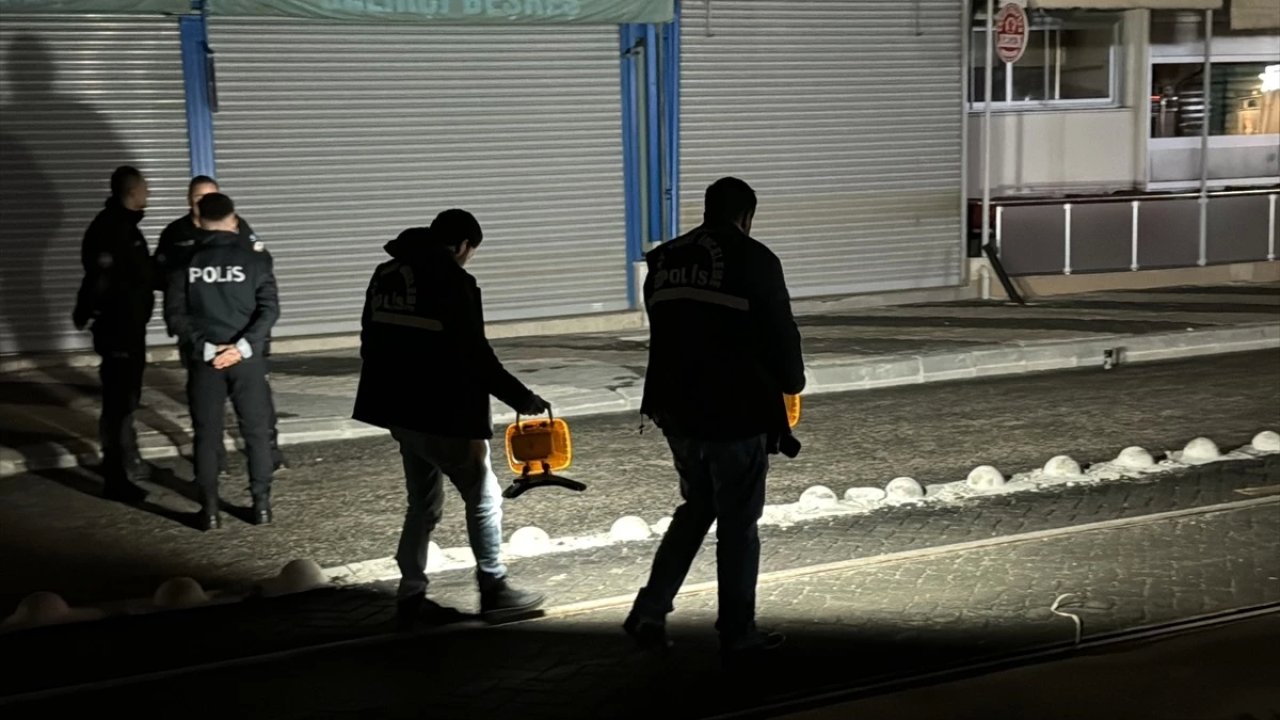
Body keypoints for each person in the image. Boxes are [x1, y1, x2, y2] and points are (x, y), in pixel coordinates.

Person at [623, 177, 806, 664]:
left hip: (674, 409)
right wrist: (792, 381)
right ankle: (737, 631)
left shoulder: (663, 260)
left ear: (707, 210)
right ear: (746, 216)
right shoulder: (755, 259)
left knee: (698, 506)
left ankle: (650, 609)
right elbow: (780, 333)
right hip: (733, 410)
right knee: (738, 524)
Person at [352, 209, 549, 630]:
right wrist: (522, 397)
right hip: (441, 412)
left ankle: (411, 595)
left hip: (398, 410)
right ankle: (494, 587)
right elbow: (475, 355)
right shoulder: (454, 282)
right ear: (462, 245)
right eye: (470, 252)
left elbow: (369, 337)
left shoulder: (387, 273)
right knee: (484, 496)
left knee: (422, 503)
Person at [163, 193, 279, 531]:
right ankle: (261, 506)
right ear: (233, 219)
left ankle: (210, 511)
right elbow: (269, 310)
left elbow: (175, 317)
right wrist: (242, 346)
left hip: (205, 362)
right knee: (256, 433)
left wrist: (207, 349)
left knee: (206, 435)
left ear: (199, 221)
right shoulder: (256, 261)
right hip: (247, 360)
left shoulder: (185, 262)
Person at [72, 165, 155, 503]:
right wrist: (90, 313)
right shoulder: (113, 229)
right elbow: (101, 277)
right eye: (145, 189)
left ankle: (126, 462)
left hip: (128, 328)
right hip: (119, 329)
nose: (148, 194)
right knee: (118, 402)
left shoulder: (122, 226)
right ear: (132, 192)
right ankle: (116, 477)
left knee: (126, 398)